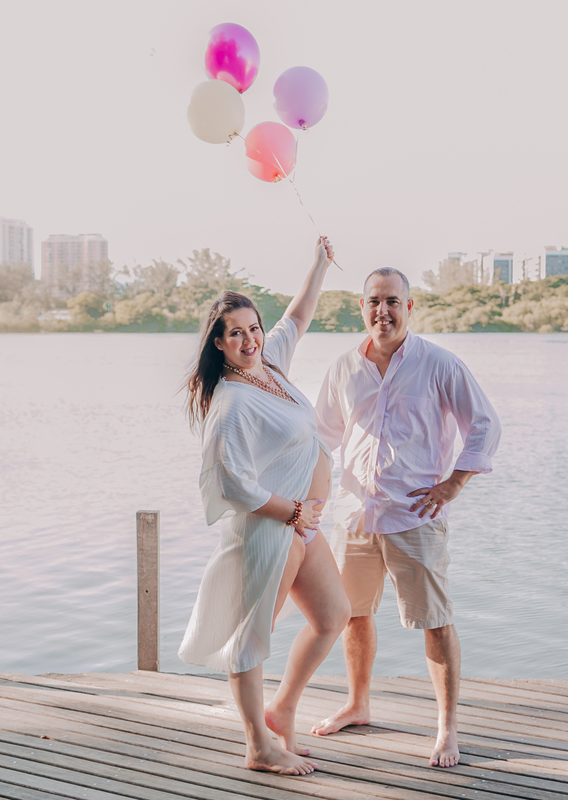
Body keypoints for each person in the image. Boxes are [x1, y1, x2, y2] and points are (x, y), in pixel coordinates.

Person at [311, 267, 500, 768]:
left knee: (434, 622)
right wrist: (299, 495)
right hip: (353, 514)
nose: (383, 311)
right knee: (352, 613)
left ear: (409, 307)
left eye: (393, 301)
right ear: (362, 307)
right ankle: (358, 703)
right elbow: (320, 437)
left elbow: (483, 425)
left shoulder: (439, 364)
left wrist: (454, 484)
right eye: (374, 301)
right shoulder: (344, 368)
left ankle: (447, 729)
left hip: (415, 515)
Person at [179, 237, 351, 777]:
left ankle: (281, 711)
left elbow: (297, 316)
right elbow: (232, 482)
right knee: (250, 640)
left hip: (303, 526)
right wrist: (292, 513)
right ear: (220, 344)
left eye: (254, 327)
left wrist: (319, 264)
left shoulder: (269, 363)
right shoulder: (230, 402)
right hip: (272, 530)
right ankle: (258, 746)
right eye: (237, 333)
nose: (251, 338)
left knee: (333, 616)